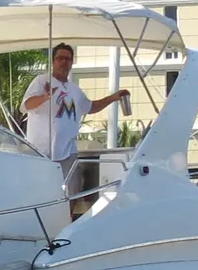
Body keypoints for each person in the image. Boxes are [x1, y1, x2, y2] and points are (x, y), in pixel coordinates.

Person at [21, 41, 127, 190]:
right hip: (41, 152)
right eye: (60, 58)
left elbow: (91, 107)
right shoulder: (41, 81)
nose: (64, 62)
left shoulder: (74, 90)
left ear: (72, 62)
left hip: (67, 152)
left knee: (73, 190)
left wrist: (113, 97)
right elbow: (26, 105)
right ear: (53, 61)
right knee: (43, 192)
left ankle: (69, 214)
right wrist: (45, 97)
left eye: (68, 59)